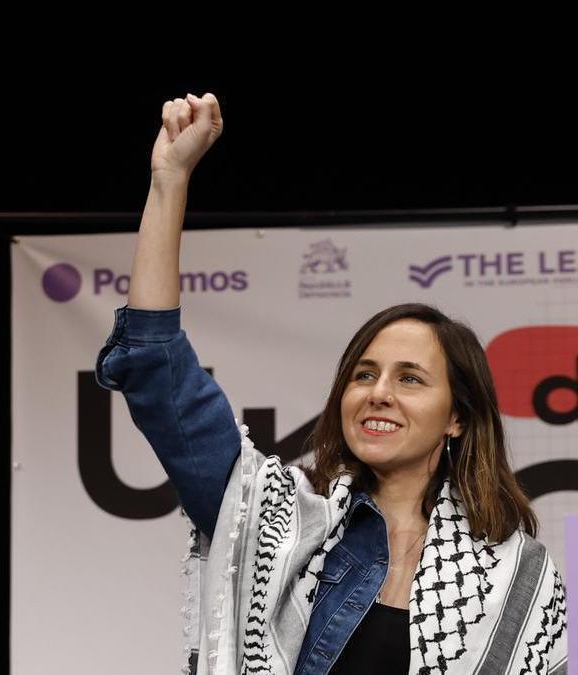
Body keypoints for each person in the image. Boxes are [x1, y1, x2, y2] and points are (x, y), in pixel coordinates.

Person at [96, 93, 567, 674]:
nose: (379, 392)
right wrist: (169, 181)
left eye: (410, 378)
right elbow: (155, 364)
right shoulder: (275, 518)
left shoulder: (518, 576)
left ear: (457, 417)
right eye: (363, 374)